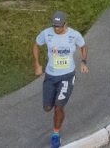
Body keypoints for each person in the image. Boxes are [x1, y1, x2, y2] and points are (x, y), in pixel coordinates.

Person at [33, 11, 88, 148]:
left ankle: (56, 135)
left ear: (65, 24)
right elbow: (36, 45)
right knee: (47, 107)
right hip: (50, 76)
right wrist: (37, 64)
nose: (57, 28)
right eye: (55, 26)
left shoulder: (74, 35)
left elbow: (83, 46)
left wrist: (83, 62)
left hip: (67, 76)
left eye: (59, 26)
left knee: (58, 107)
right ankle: (57, 109)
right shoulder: (46, 33)